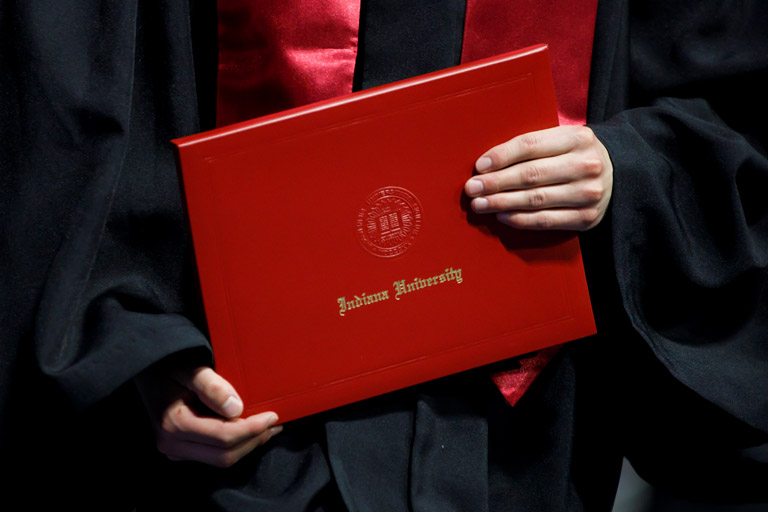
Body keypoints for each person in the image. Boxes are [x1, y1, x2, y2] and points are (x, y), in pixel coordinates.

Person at [1, 0, 767, 510]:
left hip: (528, 435)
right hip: (242, 433)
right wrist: (125, 344)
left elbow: (732, 92)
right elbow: (68, 108)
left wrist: (627, 170)